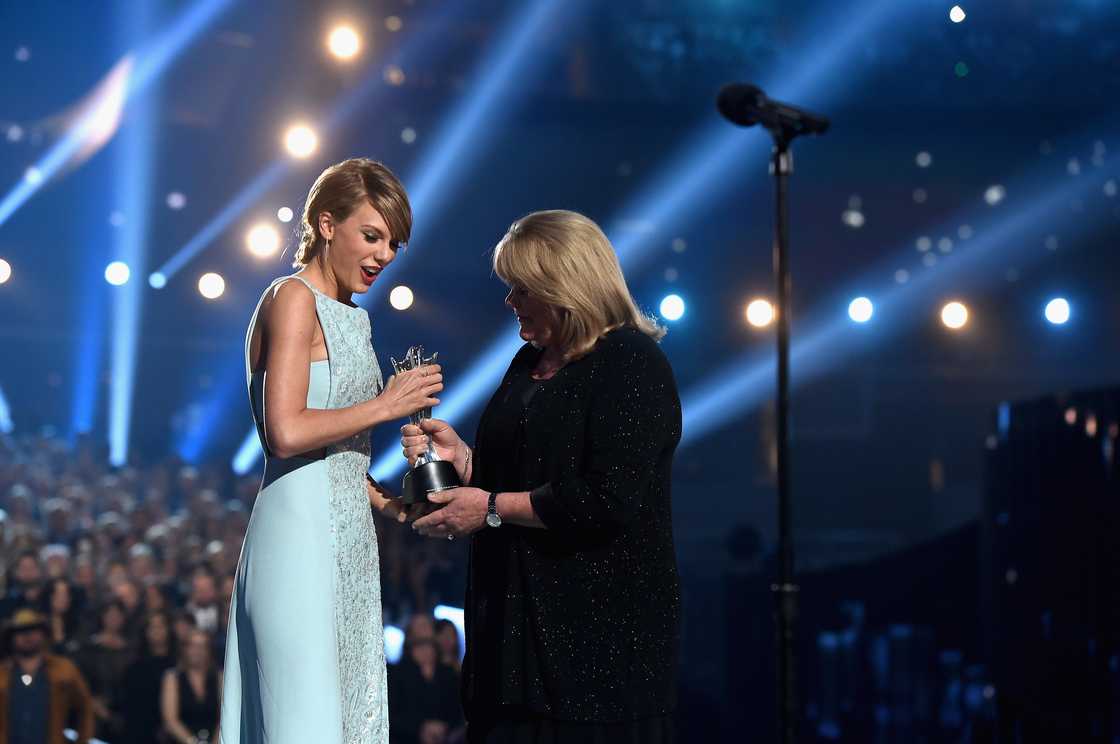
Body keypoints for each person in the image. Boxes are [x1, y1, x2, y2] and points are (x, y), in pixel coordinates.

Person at [403, 210, 682, 743]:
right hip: (509, 647)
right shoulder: (526, 362)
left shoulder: (631, 362)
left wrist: (487, 507)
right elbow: (521, 472)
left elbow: (606, 498)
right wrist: (463, 459)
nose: (510, 302)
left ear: (565, 286)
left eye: (522, 289)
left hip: (593, 656)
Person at [220, 158, 443, 744]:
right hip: (296, 539)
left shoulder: (353, 316)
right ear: (325, 224)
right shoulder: (292, 298)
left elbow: (339, 451)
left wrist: (391, 504)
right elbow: (285, 432)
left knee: (345, 721)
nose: (383, 255)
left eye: (392, 243)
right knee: (303, 723)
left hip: (348, 539)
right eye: (371, 236)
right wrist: (385, 406)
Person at [0, 607, 94, 744]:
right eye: (20, 631)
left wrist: (83, 740)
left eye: (33, 630)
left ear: (43, 634)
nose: (27, 636)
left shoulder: (64, 670)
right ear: (11, 637)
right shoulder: (2, 674)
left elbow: (85, 708)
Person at [122, 610, 177, 744]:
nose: (157, 631)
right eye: (152, 627)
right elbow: (132, 708)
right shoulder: (135, 668)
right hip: (142, 733)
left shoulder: (179, 665)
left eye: (161, 626)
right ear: (145, 632)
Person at [162, 628, 221, 744]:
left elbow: (224, 716)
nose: (197, 651)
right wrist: (194, 742)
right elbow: (171, 720)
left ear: (209, 650)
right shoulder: (172, 678)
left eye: (203, 646)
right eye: (192, 645)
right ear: (184, 649)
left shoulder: (219, 677)